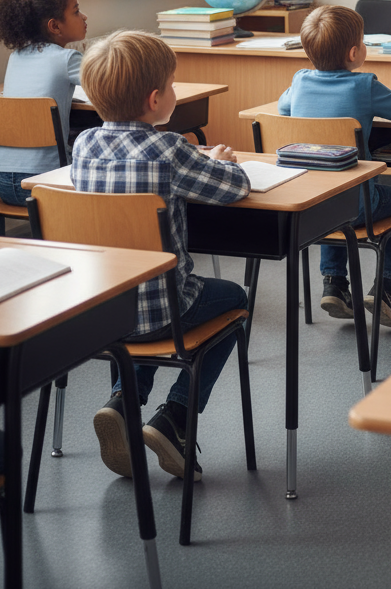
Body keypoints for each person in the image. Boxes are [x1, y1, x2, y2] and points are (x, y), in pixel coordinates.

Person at [73, 31, 251, 482]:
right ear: (155, 100)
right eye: (174, 84)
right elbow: (234, 188)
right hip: (164, 313)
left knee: (138, 298)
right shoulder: (168, 149)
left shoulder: (83, 146)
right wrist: (223, 160)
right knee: (236, 298)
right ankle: (175, 417)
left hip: (101, 313)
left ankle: (123, 401)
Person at [278, 5, 391, 329]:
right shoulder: (365, 86)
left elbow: (282, 106)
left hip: (311, 205)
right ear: (354, 51)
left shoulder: (300, 81)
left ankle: (334, 283)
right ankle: (386, 288)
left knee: (333, 197)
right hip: (359, 206)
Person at [0, 0, 87, 205]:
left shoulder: (16, 56)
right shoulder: (67, 58)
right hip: (44, 182)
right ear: (54, 26)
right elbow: (113, 87)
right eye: (76, 11)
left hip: (1, 181)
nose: (84, 16)